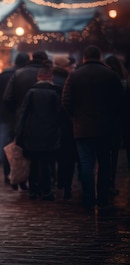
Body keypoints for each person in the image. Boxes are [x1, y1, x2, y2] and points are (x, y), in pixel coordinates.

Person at [62, 45, 124, 212]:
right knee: (104, 163)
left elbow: (66, 101)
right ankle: (103, 198)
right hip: (106, 127)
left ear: (84, 57)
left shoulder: (74, 75)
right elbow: (119, 101)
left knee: (86, 163)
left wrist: (76, 116)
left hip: (82, 128)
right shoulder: (110, 75)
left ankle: (88, 198)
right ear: (100, 56)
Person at [4, 50, 50, 190]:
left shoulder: (19, 73)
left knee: (21, 151)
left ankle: (20, 180)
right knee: (44, 155)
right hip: (46, 121)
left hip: (21, 120)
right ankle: (41, 184)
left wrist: (16, 113)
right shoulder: (49, 74)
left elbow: (7, 98)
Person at [15, 64, 62, 201]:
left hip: (32, 133)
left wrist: (19, 134)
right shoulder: (56, 93)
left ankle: (33, 190)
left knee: (34, 164)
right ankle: (47, 191)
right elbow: (60, 114)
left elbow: (23, 114)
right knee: (47, 164)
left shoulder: (31, 93)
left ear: (38, 77)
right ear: (51, 77)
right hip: (50, 134)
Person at [0, 52, 30, 184]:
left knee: (6, 143)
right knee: (21, 144)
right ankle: (21, 172)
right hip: (21, 113)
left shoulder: (4, 74)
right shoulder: (24, 74)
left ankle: (6, 167)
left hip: (5, 112)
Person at [52, 55, 77, 199]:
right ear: (63, 67)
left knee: (52, 156)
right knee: (67, 157)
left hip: (50, 125)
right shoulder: (68, 81)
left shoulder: (50, 79)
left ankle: (55, 181)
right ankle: (65, 184)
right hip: (67, 125)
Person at [104, 55, 129, 197]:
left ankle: (108, 183)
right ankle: (110, 182)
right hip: (121, 123)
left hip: (108, 122)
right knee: (115, 155)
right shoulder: (125, 83)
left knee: (107, 156)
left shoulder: (106, 81)